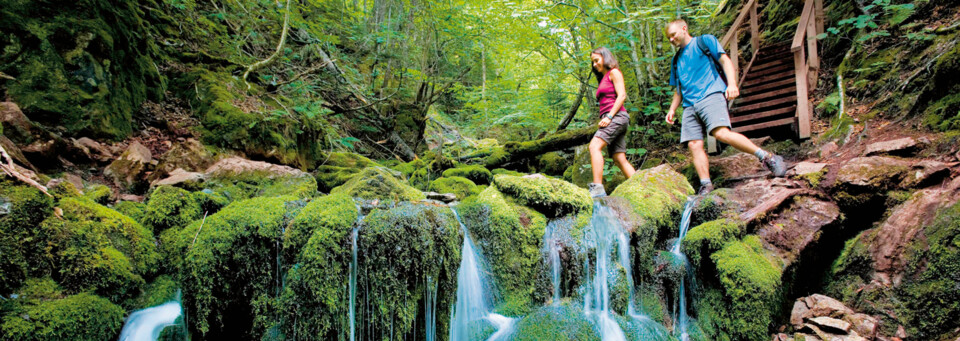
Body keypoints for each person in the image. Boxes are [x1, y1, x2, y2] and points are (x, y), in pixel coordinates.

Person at [664, 19, 786, 196]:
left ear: (684, 29)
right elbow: (679, 89)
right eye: (668, 37)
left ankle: (768, 157)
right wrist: (672, 109)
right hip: (689, 105)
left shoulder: (704, 42)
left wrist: (732, 84)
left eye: (673, 35)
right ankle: (706, 185)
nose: (671, 40)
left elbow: (725, 61)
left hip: (711, 95)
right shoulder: (676, 61)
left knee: (721, 133)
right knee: (694, 144)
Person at [587, 47, 636, 198]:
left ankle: (597, 188)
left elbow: (621, 96)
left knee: (594, 146)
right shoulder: (603, 78)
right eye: (592, 62)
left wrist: (608, 117)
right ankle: (641, 186)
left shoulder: (614, 72)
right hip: (614, 117)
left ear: (605, 57)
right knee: (619, 158)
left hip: (617, 117)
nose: (594, 64)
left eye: (597, 60)